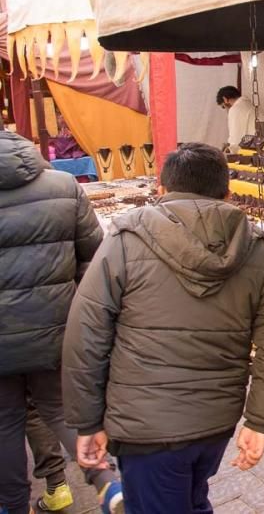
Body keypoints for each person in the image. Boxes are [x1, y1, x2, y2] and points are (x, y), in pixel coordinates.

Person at [62, 142, 264, 513]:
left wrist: (87, 421)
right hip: (215, 422)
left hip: (145, 426)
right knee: (191, 496)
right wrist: (259, 420)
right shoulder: (256, 248)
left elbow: (85, 333)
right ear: (228, 194)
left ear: (161, 191)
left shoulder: (125, 240)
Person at [0, 131, 123, 514]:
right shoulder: (63, 185)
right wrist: (75, 309)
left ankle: (13, 506)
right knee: (61, 409)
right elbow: (94, 256)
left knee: (4, 422)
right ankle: (107, 484)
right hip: (56, 328)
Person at [216, 85, 256, 153]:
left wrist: (230, 149)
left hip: (252, 150)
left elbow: (236, 138)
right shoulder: (250, 105)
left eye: (223, 107)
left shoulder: (235, 109)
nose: (226, 110)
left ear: (225, 99)